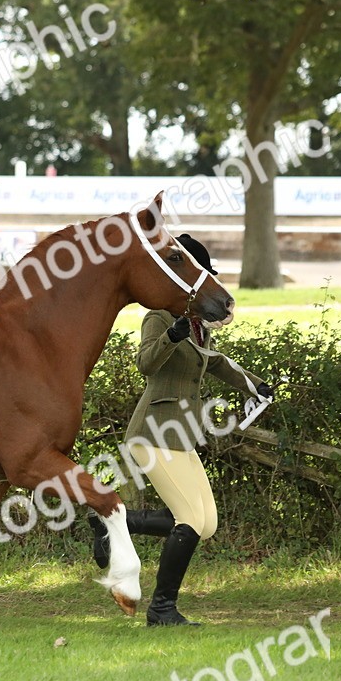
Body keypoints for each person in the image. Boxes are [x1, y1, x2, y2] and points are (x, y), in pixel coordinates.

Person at [89, 233, 274, 627]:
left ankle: (109, 523)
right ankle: (161, 610)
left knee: (206, 524)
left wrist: (255, 384)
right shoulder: (159, 316)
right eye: (203, 273)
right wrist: (172, 335)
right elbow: (146, 364)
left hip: (181, 434)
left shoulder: (200, 326)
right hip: (152, 432)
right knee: (189, 519)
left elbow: (217, 362)